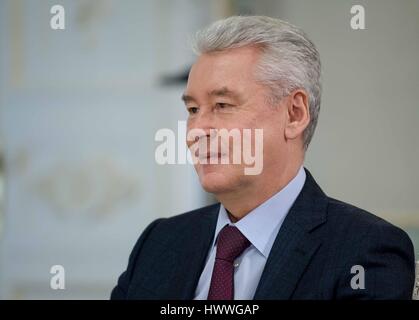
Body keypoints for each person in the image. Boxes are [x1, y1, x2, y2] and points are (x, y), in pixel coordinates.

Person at [111, 16, 415, 300]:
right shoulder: (159, 243)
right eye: (192, 110)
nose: (196, 131)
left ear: (294, 114)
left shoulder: (366, 251)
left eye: (222, 105)